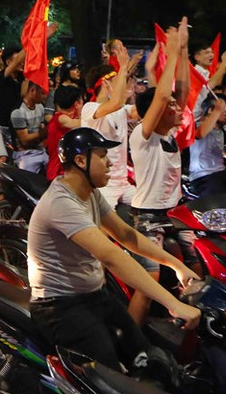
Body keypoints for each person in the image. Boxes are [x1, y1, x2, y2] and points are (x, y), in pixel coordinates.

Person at [28, 127, 200, 373]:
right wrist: (173, 303)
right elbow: (113, 256)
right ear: (80, 161)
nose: (109, 163)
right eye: (101, 156)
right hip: (60, 307)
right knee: (110, 384)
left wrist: (177, 265)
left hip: (93, 295)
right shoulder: (61, 204)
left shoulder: (90, 194)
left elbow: (126, 235)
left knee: (147, 358)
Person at [128, 19, 197, 325]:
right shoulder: (143, 137)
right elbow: (161, 96)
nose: (177, 107)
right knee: (148, 284)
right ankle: (132, 343)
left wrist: (182, 51)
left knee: (196, 265)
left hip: (176, 213)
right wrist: (170, 49)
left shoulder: (169, 134)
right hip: (148, 216)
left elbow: (182, 90)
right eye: (169, 106)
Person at [81, 43, 141, 207]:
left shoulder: (121, 110)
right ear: (106, 85)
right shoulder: (90, 109)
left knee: (148, 210)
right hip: (103, 186)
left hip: (124, 184)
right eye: (119, 82)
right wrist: (123, 66)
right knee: (109, 231)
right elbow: (115, 102)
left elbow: (144, 110)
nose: (124, 86)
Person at [11, 79, 50, 173]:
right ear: (32, 91)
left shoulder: (40, 107)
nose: (45, 97)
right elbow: (24, 139)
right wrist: (46, 131)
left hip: (40, 150)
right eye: (42, 93)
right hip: (25, 154)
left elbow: (41, 126)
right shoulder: (19, 112)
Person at [45, 85, 83, 181]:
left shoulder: (68, 118)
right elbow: (79, 123)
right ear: (77, 103)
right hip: (59, 173)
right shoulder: (60, 118)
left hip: (68, 171)